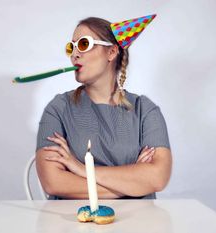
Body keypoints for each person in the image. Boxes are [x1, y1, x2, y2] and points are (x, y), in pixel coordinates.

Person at [35, 15, 172, 200]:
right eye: (71, 47)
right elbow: (53, 182)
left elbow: (157, 178)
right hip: (72, 222)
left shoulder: (145, 110)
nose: (74, 54)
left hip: (136, 221)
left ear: (111, 52)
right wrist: (133, 183)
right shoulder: (58, 109)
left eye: (83, 44)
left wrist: (80, 170)